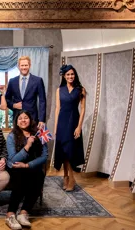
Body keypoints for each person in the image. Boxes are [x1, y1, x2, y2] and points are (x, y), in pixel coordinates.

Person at [5, 110, 48, 230]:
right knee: (20, 177)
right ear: (17, 122)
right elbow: (13, 159)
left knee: (39, 176)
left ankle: (24, 213)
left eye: (26, 118)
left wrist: (27, 165)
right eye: (20, 119)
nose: (23, 120)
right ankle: (10, 214)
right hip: (15, 167)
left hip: (31, 166)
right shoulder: (12, 136)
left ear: (30, 120)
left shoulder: (39, 134)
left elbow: (44, 156)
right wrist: (28, 145)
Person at [54, 64, 86, 192]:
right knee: (63, 151)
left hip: (73, 122)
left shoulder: (81, 89)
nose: (70, 76)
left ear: (75, 75)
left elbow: (83, 109)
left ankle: (72, 178)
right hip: (62, 122)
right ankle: (65, 177)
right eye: (68, 74)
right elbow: (57, 109)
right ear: (64, 76)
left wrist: (79, 126)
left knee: (70, 151)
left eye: (72, 74)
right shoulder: (59, 90)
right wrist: (56, 127)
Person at [5, 56, 47, 128]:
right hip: (17, 118)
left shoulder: (38, 81)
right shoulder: (12, 81)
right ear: (18, 66)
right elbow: (6, 99)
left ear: (29, 65)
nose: (24, 67)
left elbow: (42, 101)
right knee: (18, 139)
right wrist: (13, 105)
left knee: (33, 139)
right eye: (22, 65)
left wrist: (42, 119)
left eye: (26, 65)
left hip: (32, 118)